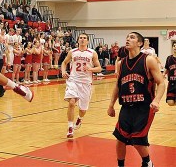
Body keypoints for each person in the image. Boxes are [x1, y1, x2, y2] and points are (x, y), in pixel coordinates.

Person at [107, 32, 165, 167]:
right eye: (127, 37)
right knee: (120, 139)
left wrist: (156, 100)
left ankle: (148, 163)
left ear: (139, 43)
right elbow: (117, 85)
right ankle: (120, 165)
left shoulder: (148, 60)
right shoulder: (121, 64)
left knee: (137, 141)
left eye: (132, 37)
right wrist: (111, 105)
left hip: (144, 107)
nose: (128, 39)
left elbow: (161, 83)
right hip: (126, 106)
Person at [61, 33, 101, 138]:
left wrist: (90, 69)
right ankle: (70, 128)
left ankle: (79, 118)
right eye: (81, 38)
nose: (82, 40)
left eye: (84, 38)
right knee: (72, 103)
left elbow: (99, 68)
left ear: (87, 41)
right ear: (78, 40)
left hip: (86, 83)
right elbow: (64, 63)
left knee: (83, 109)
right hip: (73, 80)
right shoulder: (72, 52)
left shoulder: (92, 53)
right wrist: (63, 71)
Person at [163, 41, 176, 107]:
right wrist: (163, 75)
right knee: (170, 102)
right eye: (174, 46)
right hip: (171, 83)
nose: (175, 47)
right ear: (172, 47)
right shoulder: (169, 58)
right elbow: (166, 68)